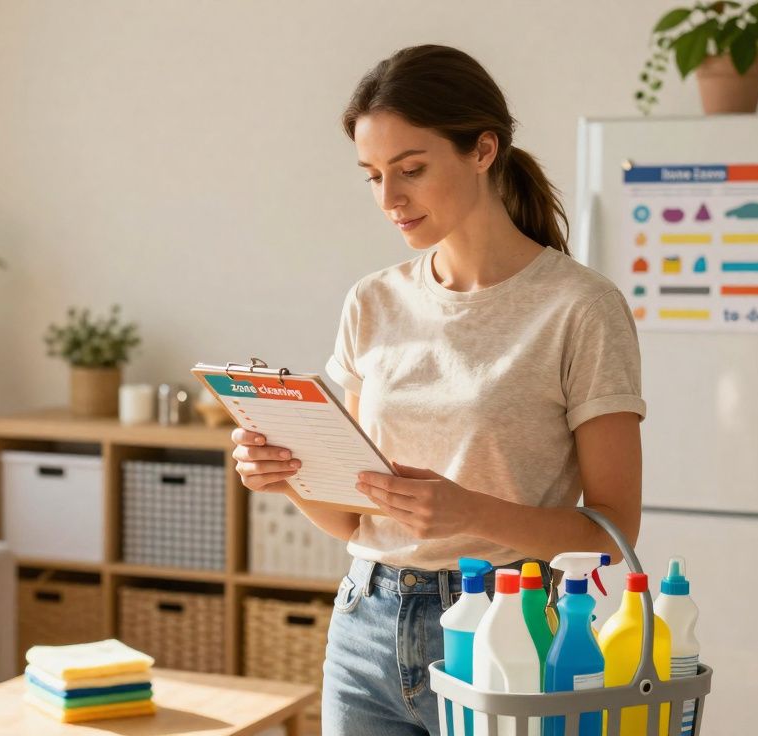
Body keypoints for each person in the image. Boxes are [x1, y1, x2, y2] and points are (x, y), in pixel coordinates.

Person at [231, 44, 645, 735]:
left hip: (507, 633)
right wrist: (288, 475)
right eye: (372, 176)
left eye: (412, 170)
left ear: (482, 150)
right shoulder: (373, 302)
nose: (390, 199)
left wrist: (467, 511)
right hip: (367, 623)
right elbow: (354, 517)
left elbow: (611, 535)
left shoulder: (579, 308)